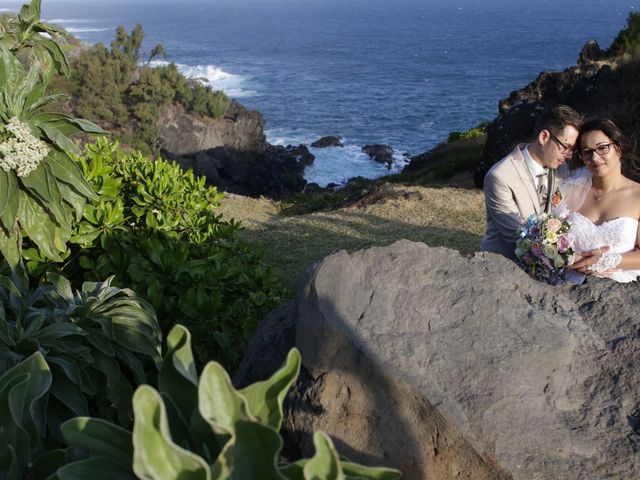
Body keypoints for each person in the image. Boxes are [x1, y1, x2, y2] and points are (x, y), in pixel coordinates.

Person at [480, 105, 582, 259]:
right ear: (544, 137)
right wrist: (570, 258)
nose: (568, 155)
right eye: (565, 147)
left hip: (549, 261)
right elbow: (518, 237)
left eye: (571, 150)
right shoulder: (500, 177)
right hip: (505, 262)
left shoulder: (562, 169)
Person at [555, 118, 640, 282]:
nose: (594, 157)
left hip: (618, 290)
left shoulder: (638, 195)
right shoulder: (569, 191)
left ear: (618, 148)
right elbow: (550, 239)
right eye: (587, 152)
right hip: (566, 284)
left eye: (602, 148)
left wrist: (605, 260)